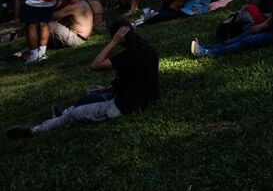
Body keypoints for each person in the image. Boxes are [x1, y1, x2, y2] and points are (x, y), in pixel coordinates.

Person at [6, 21, 159, 140]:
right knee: (93, 92)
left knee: (74, 115)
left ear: (119, 38)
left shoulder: (127, 56)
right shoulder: (150, 52)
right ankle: (65, 111)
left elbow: (95, 65)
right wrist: (108, 88)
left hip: (124, 107)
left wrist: (113, 43)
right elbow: (138, 79)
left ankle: (34, 130)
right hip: (142, 99)